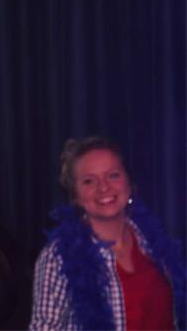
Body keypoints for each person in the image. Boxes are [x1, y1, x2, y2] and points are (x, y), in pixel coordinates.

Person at [30, 136, 185, 330]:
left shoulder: (151, 238)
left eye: (113, 175)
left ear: (129, 182)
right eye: (88, 181)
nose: (103, 187)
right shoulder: (57, 256)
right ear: (75, 196)